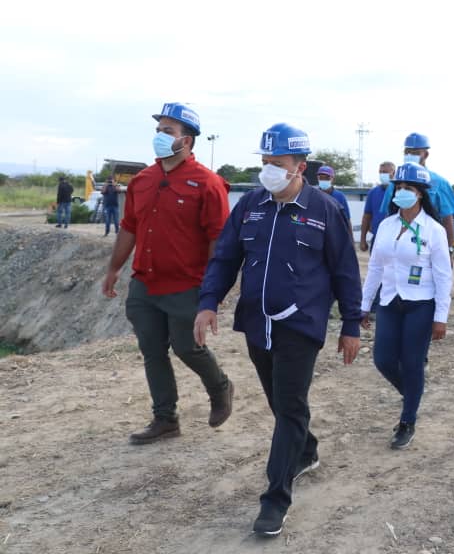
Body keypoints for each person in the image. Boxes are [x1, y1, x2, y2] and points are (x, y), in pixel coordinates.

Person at [194, 123, 362, 538]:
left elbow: (345, 270)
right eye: (265, 161)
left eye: (278, 163)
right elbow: (225, 258)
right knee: (281, 402)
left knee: (288, 407)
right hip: (257, 323)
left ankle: (275, 500)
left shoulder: (325, 210)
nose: (268, 169)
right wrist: (208, 302)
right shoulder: (250, 205)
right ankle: (306, 449)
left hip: (300, 325)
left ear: (300, 167)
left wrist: (351, 325)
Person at [101, 102, 233, 446]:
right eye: (158, 130)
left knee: (188, 348)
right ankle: (165, 419)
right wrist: (114, 268)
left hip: (186, 285)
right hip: (145, 284)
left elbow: (218, 239)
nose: (159, 136)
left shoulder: (207, 183)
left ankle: (220, 387)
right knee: (152, 350)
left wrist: (211, 290)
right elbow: (129, 227)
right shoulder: (143, 180)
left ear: (186, 140)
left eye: (167, 131)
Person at [361, 162, 452, 450]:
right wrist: (364, 304)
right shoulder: (386, 226)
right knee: (383, 360)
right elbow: (375, 267)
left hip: (420, 304)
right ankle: (413, 395)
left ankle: (407, 420)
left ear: (420, 193)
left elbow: (444, 275)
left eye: (408, 188)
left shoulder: (434, 230)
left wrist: (441, 317)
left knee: (412, 363)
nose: (401, 192)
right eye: (398, 187)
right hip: (389, 301)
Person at [380, 133, 454, 254]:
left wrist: (448, 250)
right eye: (407, 152)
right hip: (399, 241)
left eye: (415, 152)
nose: (409, 156)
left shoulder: (439, 183)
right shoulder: (395, 183)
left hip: (430, 242)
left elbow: (447, 219)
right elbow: (389, 214)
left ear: (426, 154)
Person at [360, 161, 395, 252]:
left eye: (385, 172)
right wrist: (362, 239)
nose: (382, 175)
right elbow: (367, 216)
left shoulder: (399, 192)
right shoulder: (373, 192)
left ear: (393, 173)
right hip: (377, 238)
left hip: (395, 239)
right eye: (380, 172)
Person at [317, 165, 352, 236]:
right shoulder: (313, 195)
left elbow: (347, 219)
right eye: (321, 178)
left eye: (327, 178)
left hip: (335, 235)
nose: (323, 180)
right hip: (318, 235)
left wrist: (351, 239)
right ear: (318, 178)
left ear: (332, 178)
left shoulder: (340, 196)